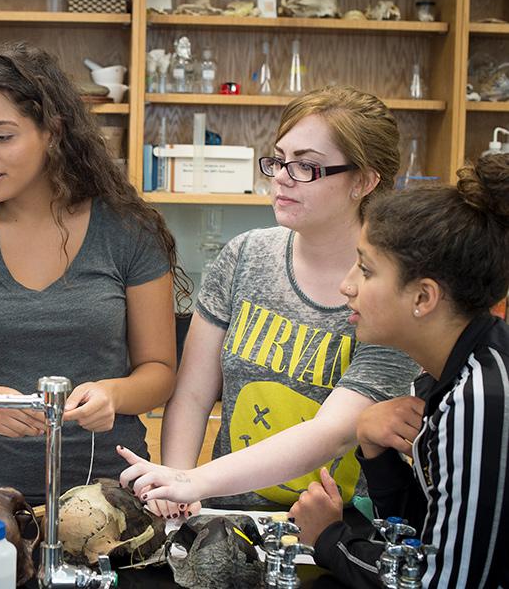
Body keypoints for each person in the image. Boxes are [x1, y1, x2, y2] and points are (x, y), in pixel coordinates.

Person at [118, 86, 419, 517]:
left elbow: (333, 432)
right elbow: (192, 392)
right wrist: (176, 485)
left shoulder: (392, 290)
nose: (280, 175)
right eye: (279, 159)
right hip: (228, 516)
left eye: (306, 167)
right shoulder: (245, 256)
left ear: (365, 181)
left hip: (337, 530)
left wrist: (192, 480)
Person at [0, 42, 185, 504]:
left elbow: (159, 372)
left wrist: (114, 394)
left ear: (52, 132)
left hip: (112, 494)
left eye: (1, 136)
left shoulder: (127, 230)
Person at [289, 154, 509, 588]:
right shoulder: (438, 377)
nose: (346, 285)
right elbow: (421, 534)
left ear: (423, 298)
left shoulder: (480, 398)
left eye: (366, 270)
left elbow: (442, 579)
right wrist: (375, 448)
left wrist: (330, 539)